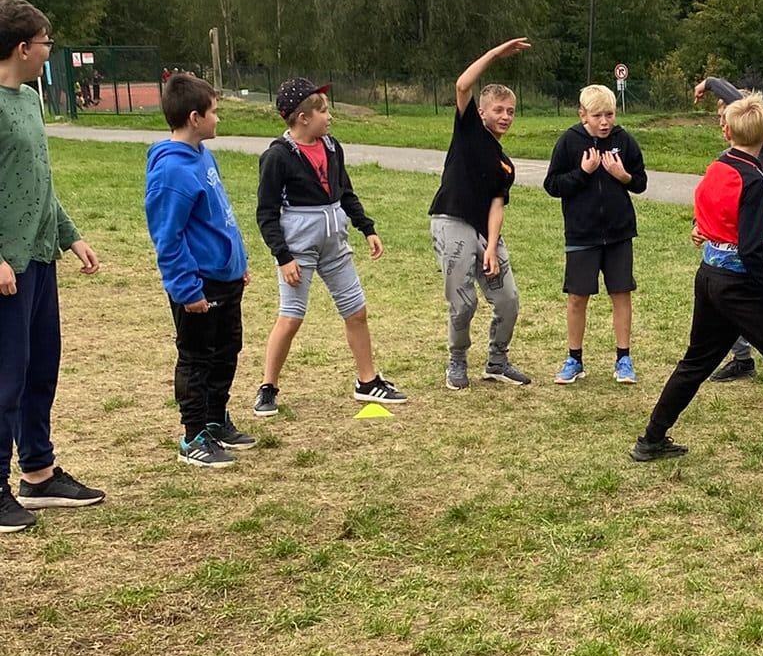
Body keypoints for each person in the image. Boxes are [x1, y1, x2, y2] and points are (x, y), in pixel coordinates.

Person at [631, 92, 763, 499]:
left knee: (696, 361)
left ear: (726, 132)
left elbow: (707, 210)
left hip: (709, 277)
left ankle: (651, 440)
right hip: (737, 285)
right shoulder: (756, 180)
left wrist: (703, 229)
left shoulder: (717, 166)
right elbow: (750, 252)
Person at [0, 0, 105, 532]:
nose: (49, 51)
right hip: (8, 266)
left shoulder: (29, 100)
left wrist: (70, 236)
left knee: (41, 368)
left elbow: (37, 179)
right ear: (23, 47)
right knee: (7, 378)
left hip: (40, 257)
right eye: (46, 43)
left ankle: (38, 474)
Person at [251, 78, 407, 416]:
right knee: (291, 318)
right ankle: (267, 387)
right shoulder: (277, 156)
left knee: (356, 311)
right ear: (303, 118)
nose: (330, 116)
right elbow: (266, 213)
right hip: (298, 248)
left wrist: (366, 227)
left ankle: (367, 382)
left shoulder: (332, 147)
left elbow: (345, 190)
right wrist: (284, 257)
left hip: (335, 243)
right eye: (323, 111)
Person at [144, 73, 254, 469]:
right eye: (214, 112)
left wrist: (239, 262)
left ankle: (215, 419)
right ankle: (193, 436)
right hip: (199, 284)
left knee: (227, 350)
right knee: (196, 358)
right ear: (195, 117)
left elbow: (219, 215)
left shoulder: (203, 155)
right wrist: (186, 289)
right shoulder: (171, 172)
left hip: (226, 279)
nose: (218, 119)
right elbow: (167, 237)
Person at [429, 37, 531, 391]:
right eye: (498, 110)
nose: (505, 117)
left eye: (511, 111)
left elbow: (496, 205)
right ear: (482, 112)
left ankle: (497, 362)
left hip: (484, 231)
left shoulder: (506, 165)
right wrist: (495, 53)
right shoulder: (468, 130)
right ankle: (457, 360)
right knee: (464, 302)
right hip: (451, 221)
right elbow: (462, 85)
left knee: (508, 299)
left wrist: (491, 248)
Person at [544, 84, 648, 384]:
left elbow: (640, 182)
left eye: (610, 115)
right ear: (583, 115)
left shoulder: (624, 140)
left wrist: (623, 176)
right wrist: (583, 173)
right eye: (597, 116)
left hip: (619, 234)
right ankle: (574, 359)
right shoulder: (569, 141)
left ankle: (624, 358)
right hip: (582, 234)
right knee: (577, 297)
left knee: (621, 293)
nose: (604, 122)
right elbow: (552, 185)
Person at [694, 73, 763, 383]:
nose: (724, 126)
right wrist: (700, 226)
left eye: (729, 118)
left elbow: (746, 106)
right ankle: (742, 360)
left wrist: (709, 83)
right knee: (727, 300)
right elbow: (716, 200)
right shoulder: (728, 158)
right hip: (732, 242)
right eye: (721, 120)